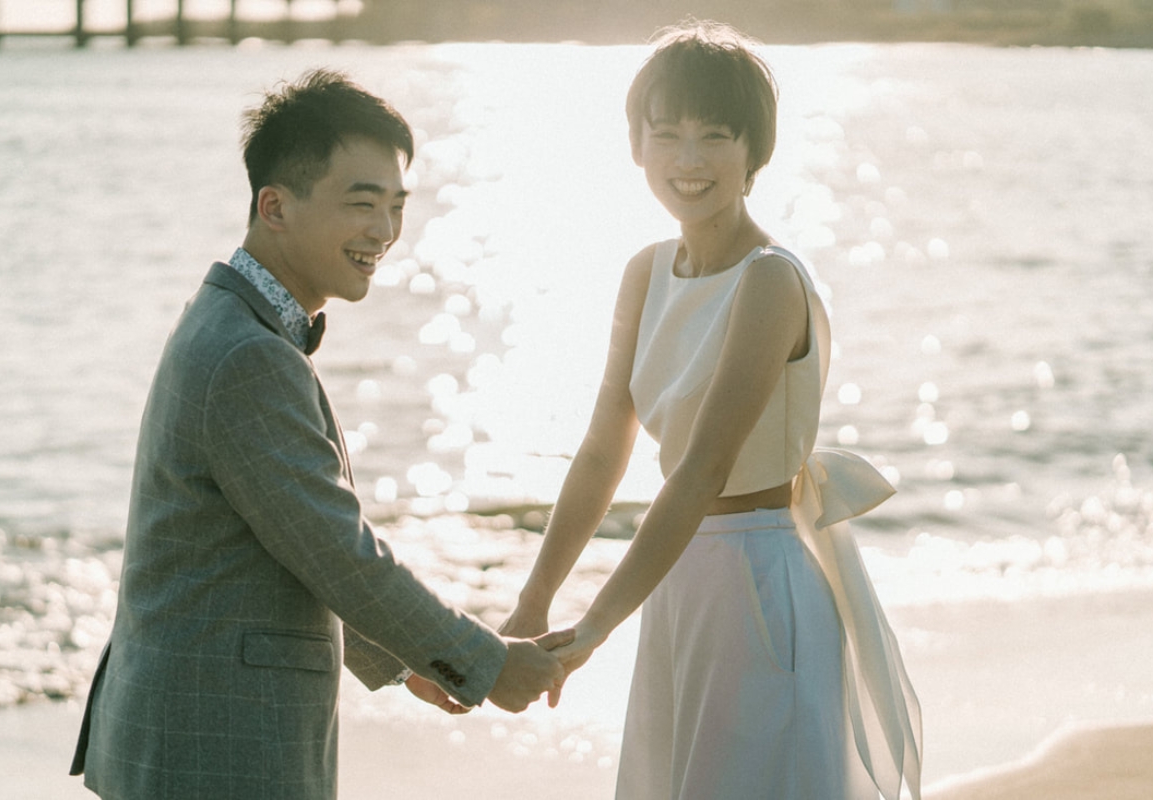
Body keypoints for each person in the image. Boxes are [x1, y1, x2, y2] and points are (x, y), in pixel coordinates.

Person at [69, 68, 570, 800]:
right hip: (216, 750)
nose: (385, 232)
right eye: (361, 203)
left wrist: (408, 661)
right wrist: (487, 663)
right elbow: (341, 554)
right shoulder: (248, 355)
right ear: (275, 206)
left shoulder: (229, 321)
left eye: (396, 206)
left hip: (187, 734)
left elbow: (295, 547)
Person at [501, 21, 922, 799]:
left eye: (715, 137)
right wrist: (532, 602)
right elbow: (602, 450)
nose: (688, 161)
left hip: (762, 580)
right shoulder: (644, 270)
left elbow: (701, 469)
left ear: (754, 153)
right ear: (636, 146)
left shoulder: (770, 280)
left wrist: (593, 627)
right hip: (676, 580)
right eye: (666, 135)